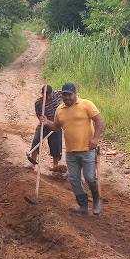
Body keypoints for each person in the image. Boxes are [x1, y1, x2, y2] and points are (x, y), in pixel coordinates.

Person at [40, 82, 103, 215]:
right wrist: (47, 123)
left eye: (69, 94)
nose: (67, 97)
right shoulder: (60, 110)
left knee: (90, 178)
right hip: (71, 151)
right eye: (64, 95)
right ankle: (83, 206)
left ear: (75, 93)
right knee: (74, 180)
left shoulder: (86, 104)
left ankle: (96, 200)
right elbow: (57, 127)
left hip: (87, 149)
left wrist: (95, 138)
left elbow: (99, 120)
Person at [27, 85, 63, 171]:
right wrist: (42, 119)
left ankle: (55, 167)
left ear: (52, 93)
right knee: (36, 141)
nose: (48, 97)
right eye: (46, 96)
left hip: (56, 125)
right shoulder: (38, 103)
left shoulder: (57, 94)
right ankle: (32, 164)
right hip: (44, 125)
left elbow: (67, 93)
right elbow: (39, 115)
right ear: (42, 94)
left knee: (56, 146)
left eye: (49, 95)